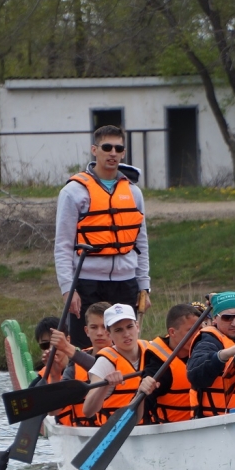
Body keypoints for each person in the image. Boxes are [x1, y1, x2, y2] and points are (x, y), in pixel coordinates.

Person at [55, 124, 151, 349]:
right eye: (107, 147)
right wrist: (68, 288)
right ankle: (85, 380)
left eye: (118, 148)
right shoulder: (73, 192)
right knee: (86, 345)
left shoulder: (133, 192)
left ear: (124, 153)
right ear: (94, 150)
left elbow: (141, 243)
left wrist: (144, 286)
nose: (113, 153)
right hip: (87, 282)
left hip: (125, 283)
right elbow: (63, 244)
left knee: (124, 345)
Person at [83, 303, 158, 425]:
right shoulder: (105, 362)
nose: (126, 334)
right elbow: (88, 411)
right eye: (118, 330)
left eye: (129, 327)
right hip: (117, 430)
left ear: (137, 327)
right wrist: (104, 386)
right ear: (109, 334)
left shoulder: (153, 350)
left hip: (155, 426)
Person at [47, 301, 113, 426]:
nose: (99, 332)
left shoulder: (124, 357)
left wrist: (67, 348)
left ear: (113, 329)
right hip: (83, 430)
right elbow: (53, 411)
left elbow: (102, 367)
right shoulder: (74, 364)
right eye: (94, 327)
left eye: (104, 327)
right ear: (87, 331)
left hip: (116, 428)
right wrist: (55, 375)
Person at [141, 304, 204, 424]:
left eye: (200, 329)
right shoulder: (159, 367)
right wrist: (142, 391)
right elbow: (142, 410)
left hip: (208, 428)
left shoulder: (207, 352)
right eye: (191, 330)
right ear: (172, 332)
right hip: (173, 434)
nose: (198, 335)